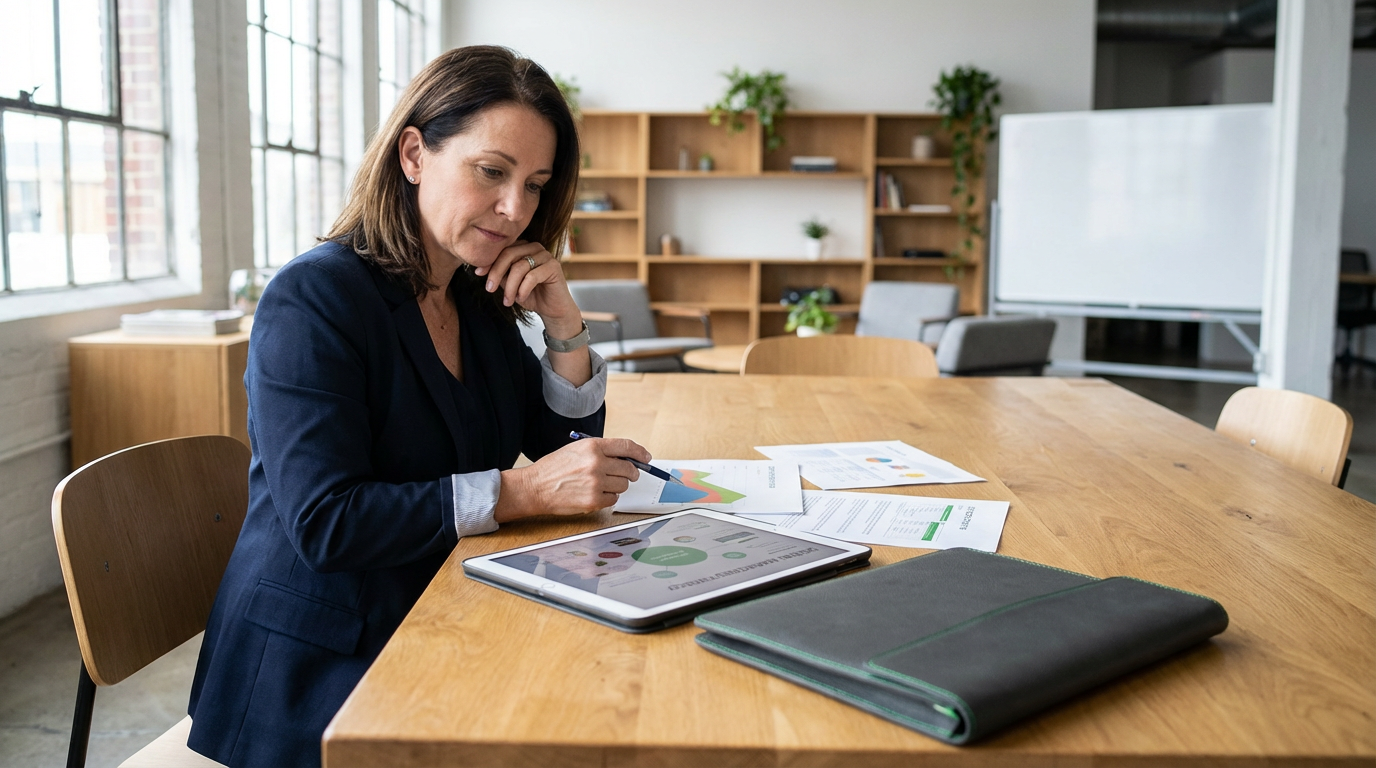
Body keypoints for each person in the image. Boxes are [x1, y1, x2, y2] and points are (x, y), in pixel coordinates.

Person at [186, 46, 651, 767]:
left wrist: (564, 324)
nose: (515, 209)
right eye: (491, 172)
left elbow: (558, 444)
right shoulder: (315, 299)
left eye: (534, 185)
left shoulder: (474, 295)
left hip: (442, 611)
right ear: (413, 154)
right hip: (321, 663)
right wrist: (520, 491)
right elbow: (327, 524)